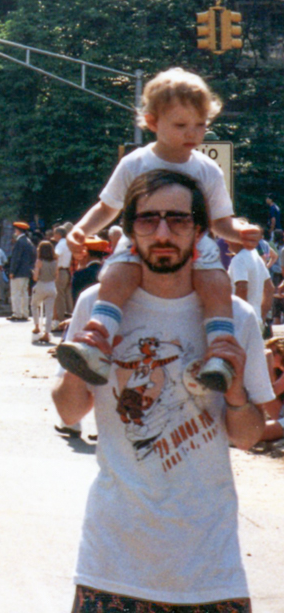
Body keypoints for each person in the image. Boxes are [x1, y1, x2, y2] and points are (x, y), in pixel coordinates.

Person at [53, 169, 273, 611]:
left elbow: (248, 436)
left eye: (178, 219)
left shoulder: (236, 317)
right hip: (112, 562)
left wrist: (233, 393)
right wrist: (85, 356)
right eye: (148, 220)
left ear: (199, 228)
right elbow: (69, 412)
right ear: (130, 230)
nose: (163, 232)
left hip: (210, 567)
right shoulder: (97, 305)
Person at [63, 69, 260, 393]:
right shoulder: (135, 163)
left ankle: (220, 351)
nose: (192, 133)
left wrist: (240, 233)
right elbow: (108, 206)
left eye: (200, 124)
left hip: (194, 243)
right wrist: (81, 230)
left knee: (216, 283)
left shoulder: (206, 168)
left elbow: (220, 220)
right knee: (115, 276)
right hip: (138, 244)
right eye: (181, 125)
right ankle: (96, 340)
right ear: (153, 123)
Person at [228, 237, 273, 328]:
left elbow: (242, 288)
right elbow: (270, 289)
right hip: (256, 320)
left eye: (228, 237)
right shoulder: (256, 257)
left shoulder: (239, 259)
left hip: (242, 323)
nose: (225, 241)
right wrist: (262, 316)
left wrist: (240, 319)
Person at [30, 240, 58, 341]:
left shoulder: (39, 261)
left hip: (41, 285)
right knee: (49, 312)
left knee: (34, 304)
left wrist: (36, 270)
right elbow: (56, 276)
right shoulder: (55, 261)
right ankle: (47, 333)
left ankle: (37, 326)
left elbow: (35, 278)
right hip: (51, 286)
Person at [7, 222, 35, 321]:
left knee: (16, 293)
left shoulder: (19, 242)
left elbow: (16, 258)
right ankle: (25, 313)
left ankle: (17, 313)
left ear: (18, 230)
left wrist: (12, 271)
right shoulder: (28, 241)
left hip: (18, 272)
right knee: (24, 293)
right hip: (26, 271)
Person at [51, 226, 73, 328]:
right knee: (66, 295)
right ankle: (69, 316)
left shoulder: (60, 244)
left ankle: (60, 319)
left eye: (55, 234)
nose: (53, 236)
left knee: (59, 296)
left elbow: (56, 257)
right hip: (67, 270)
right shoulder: (68, 243)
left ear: (58, 234)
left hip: (60, 271)